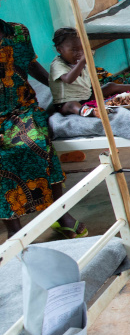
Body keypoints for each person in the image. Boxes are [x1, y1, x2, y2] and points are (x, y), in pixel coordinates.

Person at [1, 12, 87, 240]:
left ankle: (59, 214)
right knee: (3, 155)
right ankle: (14, 229)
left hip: (22, 106)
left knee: (38, 141)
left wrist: (59, 89)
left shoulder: (18, 31)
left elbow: (30, 64)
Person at [49, 28, 130, 116]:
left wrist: (98, 93)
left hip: (86, 97)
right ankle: (92, 112)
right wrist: (82, 61)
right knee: (71, 105)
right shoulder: (58, 65)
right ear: (60, 50)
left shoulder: (81, 61)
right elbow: (68, 79)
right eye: (74, 50)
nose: (79, 53)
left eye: (82, 49)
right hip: (65, 103)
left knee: (111, 86)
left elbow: (90, 81)